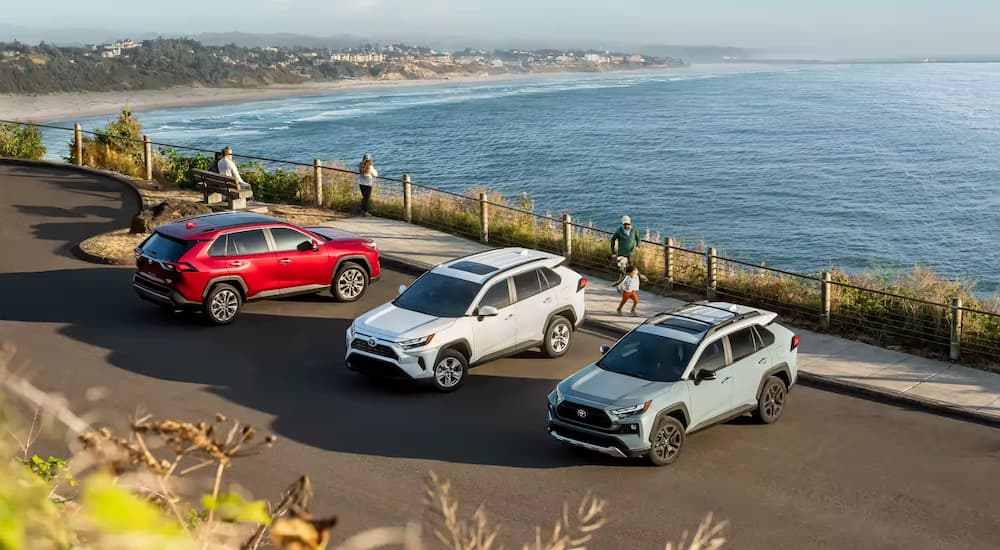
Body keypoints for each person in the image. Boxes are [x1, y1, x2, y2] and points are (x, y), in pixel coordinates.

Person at [610, 215, 640, 285]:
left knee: (631, 269)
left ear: (630, 223)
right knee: (622, 269)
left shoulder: (634, 230)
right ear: (623, 224)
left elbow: (638, 239)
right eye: (625, 224)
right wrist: (613, 252)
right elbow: (613, 240)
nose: (626, 226)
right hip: (622, 253)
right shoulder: (619, 231)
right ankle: (621, 283)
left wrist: (638, 246)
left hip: (631, 253)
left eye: (628, 224)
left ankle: (631, 283)